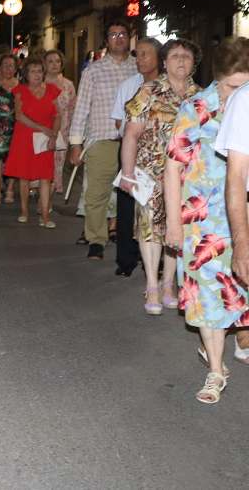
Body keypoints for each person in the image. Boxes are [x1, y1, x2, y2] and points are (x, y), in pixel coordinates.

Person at [165, 38, 249, 403]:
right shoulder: (196, 108)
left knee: (237, 292)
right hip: (202, 220)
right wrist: (172, 222)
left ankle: (236, 341)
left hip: (242, 217)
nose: (238, 95)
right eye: (232, 87)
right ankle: (216, 370)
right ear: (219, 79)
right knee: (205, 297)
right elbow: (172, 167)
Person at [120, 39, 200, 315]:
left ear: (193, 64)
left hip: (187, 175)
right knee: (149, 227)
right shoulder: (149, 91)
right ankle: (152, 285)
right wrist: (128, 175)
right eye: (175, 56)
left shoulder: (200, 95)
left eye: (186, 57)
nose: (181, 61)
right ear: (164, 62)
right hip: (150, 171)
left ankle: (169, 284)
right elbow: (131, 134)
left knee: (177, 228)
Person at [68, 20, 137, 260]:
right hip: (102, 139)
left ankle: (130, 240)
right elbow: (81, 109)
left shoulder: (138, 69)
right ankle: (96, 239)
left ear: (129, 38)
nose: (118, 38)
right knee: (97, 194)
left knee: (132, 195)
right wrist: (76, 144)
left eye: (122, 34)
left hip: (134, 141)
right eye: (113, 34)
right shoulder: (93, 71)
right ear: (106, 41)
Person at [109, 38, 162, 275]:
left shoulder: (166, 86)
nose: (139, 60)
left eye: (145, 54)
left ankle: (156, 260)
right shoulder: (129, 86)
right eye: (137, 54)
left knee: (156, 209)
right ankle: (126, 260)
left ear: (158, 58)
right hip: (132, 152)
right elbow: (119, 120)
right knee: (127, 205)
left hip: (159, 157)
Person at [3, 57, 61, 227]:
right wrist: (43, 128)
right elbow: (19, 116)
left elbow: (58, 115)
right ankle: (24, 211)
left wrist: (54, 135)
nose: (36, 75)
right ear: (26, 74)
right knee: (24, 177)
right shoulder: (19, 90)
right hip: (25, 138)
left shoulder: (52, 90)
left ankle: (45, 217)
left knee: (45, 177)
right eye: (32, 71)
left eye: (39, 71)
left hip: (45, 139)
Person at [0, 53, 19, 205]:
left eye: (11, 66)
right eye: (5, 65)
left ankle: (10, 189)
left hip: (17, 126)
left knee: (13, 158)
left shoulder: (20, 86)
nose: (8, 68)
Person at [43, 50, 75, 195]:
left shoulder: (68, 85)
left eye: (57, 61)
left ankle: (57, 184)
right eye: (50, 61)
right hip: (43, 127)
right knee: (43, 157)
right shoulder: (39, 83)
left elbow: (73, 107)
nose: (54, 64)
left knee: (60, 158)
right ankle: (41, 184)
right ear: (44, 64)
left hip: (64, 127)